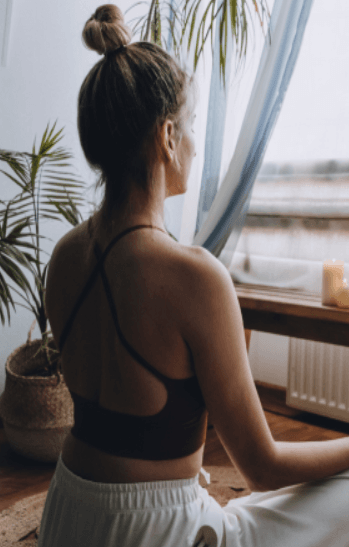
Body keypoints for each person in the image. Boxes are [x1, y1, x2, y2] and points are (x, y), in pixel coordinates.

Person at [38, 4, 349, 547]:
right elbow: (262, 465)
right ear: (166, 136)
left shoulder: (63, 257)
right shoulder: (195, 277)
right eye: (193, 127)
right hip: (154, 532)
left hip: (66, 515)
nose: (196, 144)